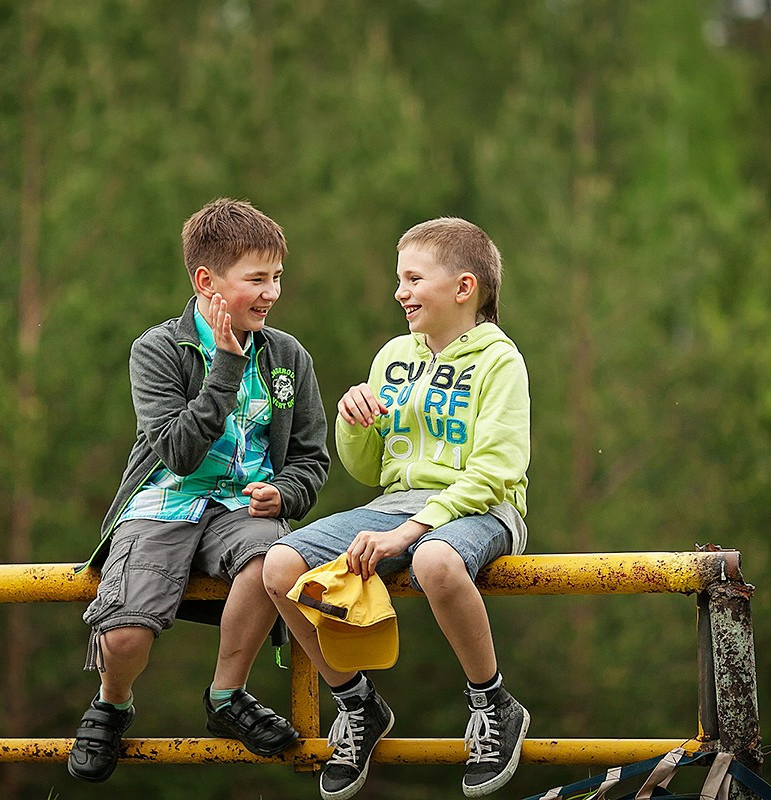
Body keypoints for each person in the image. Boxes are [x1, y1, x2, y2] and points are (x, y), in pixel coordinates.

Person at [263, 217, 532, 800]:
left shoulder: (500, 363)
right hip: (393, 506)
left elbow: (496, 472)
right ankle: (357, 704)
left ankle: (493, 704)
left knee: (435, 560)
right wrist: (352, 418)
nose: (400, 292)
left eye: (413, 279)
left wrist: (410, 531)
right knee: (279, 565)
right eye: (398, 279)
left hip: (480, 509)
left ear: (464, 288)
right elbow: (368, 469)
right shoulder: (393, 357)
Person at [68, 198, 330, 783]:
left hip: (241, 509)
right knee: (127, 631)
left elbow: (312, 459)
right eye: (257, 279)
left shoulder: (289, 358)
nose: (272, 294)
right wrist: (227, 368)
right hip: (164, 502)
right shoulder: (157, 349)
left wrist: (284, 494)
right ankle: (112, 703)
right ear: (206, 282)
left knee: (272, 558)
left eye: (277, 278)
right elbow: (180, 454)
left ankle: (227, 696)